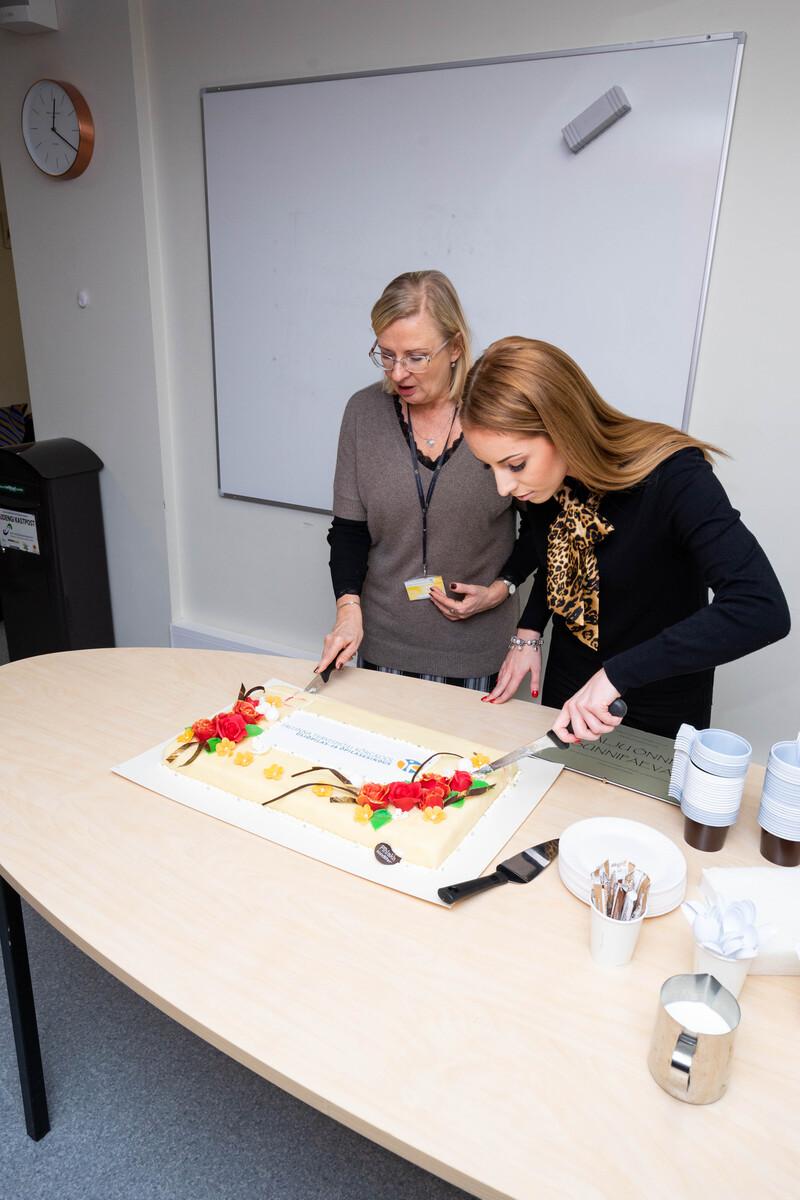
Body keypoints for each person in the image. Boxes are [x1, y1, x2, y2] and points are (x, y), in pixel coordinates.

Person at [460, 336, 790, 741]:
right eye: (489, 467)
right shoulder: (544, 483)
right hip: (571, 686)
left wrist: (617, 674)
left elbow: (761, 607)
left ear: (562, 428)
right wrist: (529, 631)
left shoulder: (674, 476)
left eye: (514, 464)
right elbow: (560, 558)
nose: (503, 487)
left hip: (658, 699)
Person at [317, 271, 531, 688]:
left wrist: (502, 588)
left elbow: (541, 527)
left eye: (416, 357)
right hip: (383, 644)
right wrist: (348, 609)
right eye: (387, 355)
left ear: (455, 347)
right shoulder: (363, 412)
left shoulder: (498, 413)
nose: (398, 374)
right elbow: (348, 531)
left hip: (477, 650)